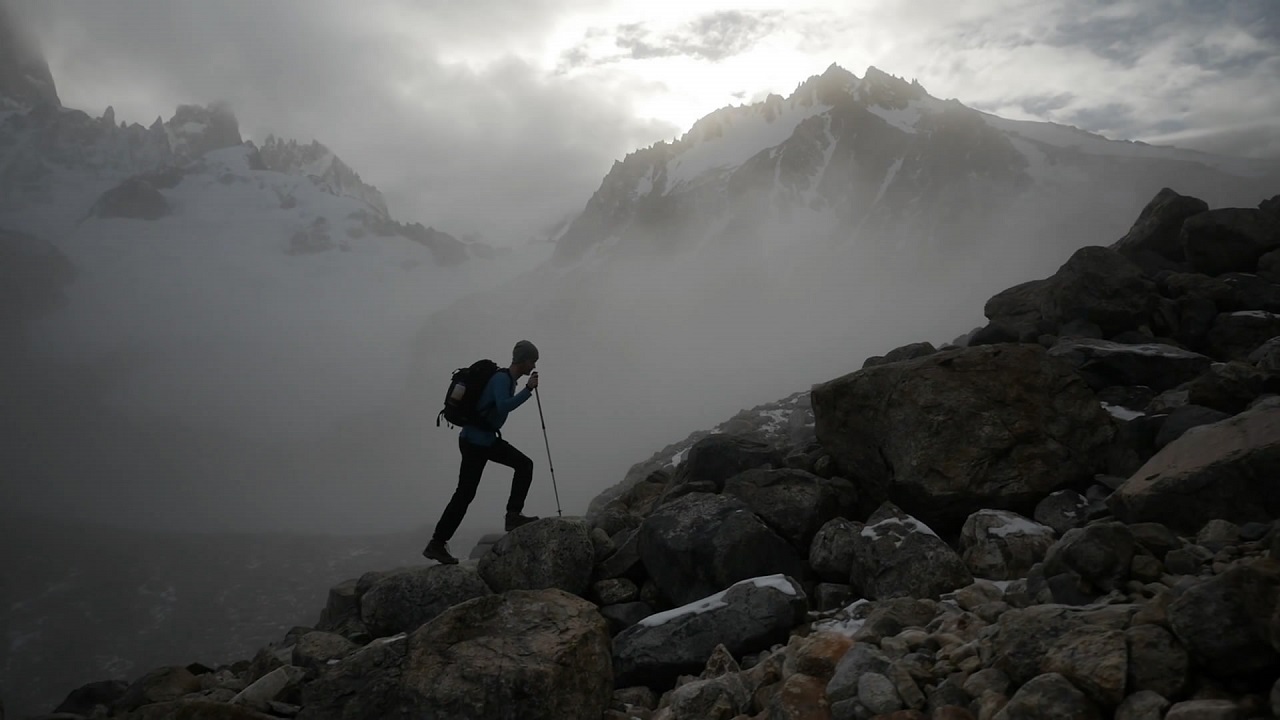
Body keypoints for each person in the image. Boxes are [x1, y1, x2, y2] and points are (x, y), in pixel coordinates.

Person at [423, 340, 541, 564]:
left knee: (523, 465)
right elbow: (503, 405)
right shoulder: (502, 379)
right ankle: (437, 543)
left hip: (483, 439)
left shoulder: (508, 380)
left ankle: (513, 516)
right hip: (476, 442)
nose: (533, 365)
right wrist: (528, 390)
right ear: (524, 360)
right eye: (532, 360)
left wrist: (524, 389)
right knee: (466, 493)